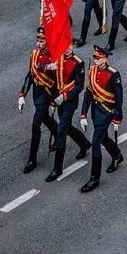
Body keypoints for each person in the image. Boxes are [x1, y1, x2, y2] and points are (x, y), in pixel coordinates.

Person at [17, 24, 66, 174]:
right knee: (45, 119)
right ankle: (66, 137)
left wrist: (53, 101)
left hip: (47, 93)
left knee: (35, 124)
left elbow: (57, 82)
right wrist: (22, 94)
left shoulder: (53, 57)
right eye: (38, 40)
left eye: (42, 40)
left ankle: (32, 159)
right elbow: (30, 75)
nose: (39, 43)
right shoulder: (34, 54)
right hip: (37, 93)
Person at [78, 43, 124, 192]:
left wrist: (118, 117)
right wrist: (83, 113)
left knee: (96, 142)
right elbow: (88, 93)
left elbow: (118, 97)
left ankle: (94, 178)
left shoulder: (113, 74)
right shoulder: (92, 71)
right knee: (103, 138)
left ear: (104, 59)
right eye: (94, 57)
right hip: (95, 112)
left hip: (106, 112)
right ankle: (116, 154)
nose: (95, 60)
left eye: (97, 58)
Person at [46, 43, 91, 183]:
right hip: (59, 101)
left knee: (60, 132)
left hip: (70, 102)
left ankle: (57, 168)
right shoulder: (58, 60)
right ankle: (84, 143)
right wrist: (53, 102)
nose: (68, 48)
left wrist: (64, 97)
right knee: (67, 128)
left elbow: (79, 86)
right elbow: (55, 83)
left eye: (70, 45)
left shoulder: (78, 63)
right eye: (66, 46)